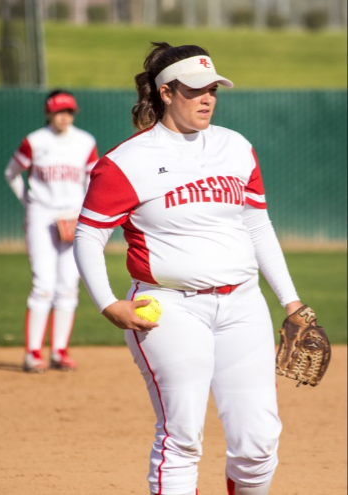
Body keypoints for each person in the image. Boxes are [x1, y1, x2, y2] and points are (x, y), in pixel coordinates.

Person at [73, 42, 304, 495]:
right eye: (195, 89)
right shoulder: (125, 162)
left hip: (242, 304)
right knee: (182, 437)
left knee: (258, 444)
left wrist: (292, 303)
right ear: (165, 92)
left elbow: (258, 226)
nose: (207, 98)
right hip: (169, 308)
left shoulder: (235, 147)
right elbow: (88, 235)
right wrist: (107, 303)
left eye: (213, 89)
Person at [5, 89, 99, 373]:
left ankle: (59, 351)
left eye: (69, 111)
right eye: (59, 111)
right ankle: (33, 352)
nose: (64, 117)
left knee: (68, 285)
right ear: (49, 113)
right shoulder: (35, 141)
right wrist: (29, 202)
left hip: (72, 216)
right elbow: (11, 173)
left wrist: (83, 212)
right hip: (42, 215)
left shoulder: (85, 142)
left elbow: (92, 180)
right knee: (43, 284)